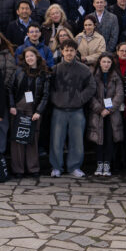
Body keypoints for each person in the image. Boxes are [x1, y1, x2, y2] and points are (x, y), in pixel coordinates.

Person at [49, 40, 96, 177]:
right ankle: (56, 167)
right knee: (56, 140)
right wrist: (56, 99)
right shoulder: (55, 69)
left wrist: (80, 98)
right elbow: (49, 88)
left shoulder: (84, 69)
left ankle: (74, 167)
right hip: (59, 110)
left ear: (76, 52)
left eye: (71, 50)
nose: (69, 53)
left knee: (77, 141)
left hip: (77, 110)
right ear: (62, 52)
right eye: (66, 50)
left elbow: (91, 87)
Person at [10, 46, 49, 177]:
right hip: (18, 108)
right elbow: (10, 89)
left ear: (36, 57)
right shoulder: (18, 71)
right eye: (27, 56)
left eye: (31, 56)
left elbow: (46, 95)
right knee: (18, 139)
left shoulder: (44, 73)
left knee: (33, 138)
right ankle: (18, 169)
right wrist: (12, 106)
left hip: (34, 110)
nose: (29, 58)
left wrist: (39, 111)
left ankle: (33, 168)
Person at [88, 52, 124, 177]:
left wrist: (109, 109)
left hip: (112, 114)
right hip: (98, 114)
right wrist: (99, 109)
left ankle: (107, 164)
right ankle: (99, 164)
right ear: (99, 62)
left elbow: (119, 95)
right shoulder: (93, 76)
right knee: (99, 140)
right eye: (104, 61)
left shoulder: (116, 77)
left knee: (109, 139)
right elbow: (91, 95)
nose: (106, 64)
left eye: (109, 62)